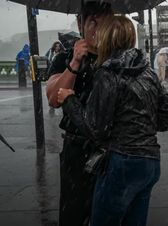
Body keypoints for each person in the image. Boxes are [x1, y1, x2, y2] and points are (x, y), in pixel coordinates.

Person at [57, 15, 168, 226]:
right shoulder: (148, 72)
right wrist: (141, 126)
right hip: (150, 162)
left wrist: (69, 100)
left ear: (107, 39)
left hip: (122, 163)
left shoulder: (108, 72)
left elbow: (95, 128)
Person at [45, 2, 114, 226]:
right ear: (80, 23)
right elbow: (54, 98)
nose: (98, 29)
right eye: (92, 22)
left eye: (104, 23)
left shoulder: (118, 59)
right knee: (73, 214)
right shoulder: (64, 58)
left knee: (109, 214)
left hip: (113, 147)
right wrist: (75, 62)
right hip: (77, 149)